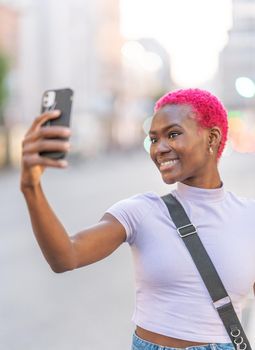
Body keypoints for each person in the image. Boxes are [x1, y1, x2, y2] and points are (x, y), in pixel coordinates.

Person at [20, 88, 254, 350]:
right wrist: (31, 188)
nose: (159, 149)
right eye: (153, 139)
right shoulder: (141, 211)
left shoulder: (249, 217)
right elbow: (66, 256)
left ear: (212, 138)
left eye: (173, 134)